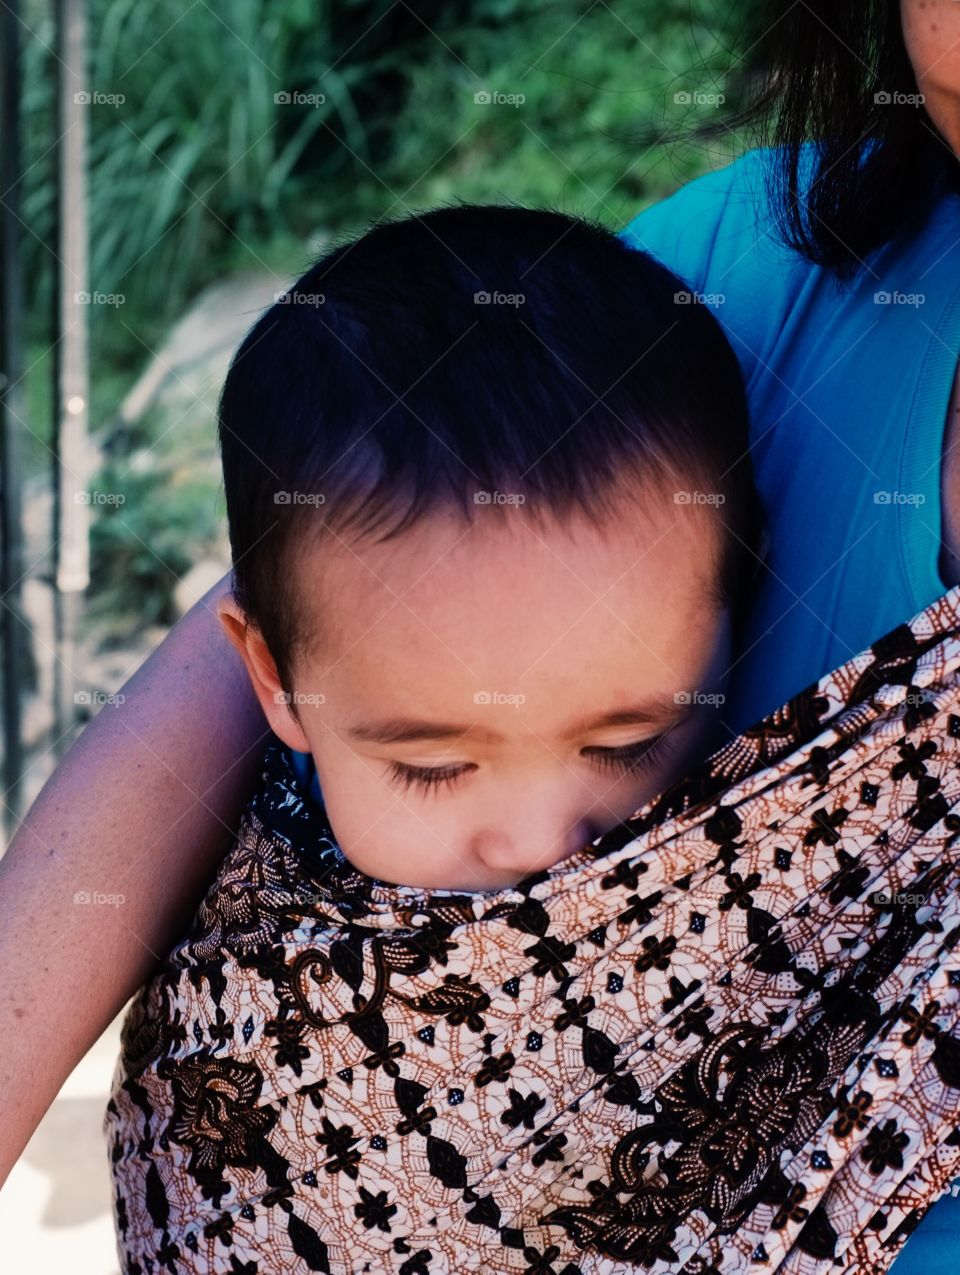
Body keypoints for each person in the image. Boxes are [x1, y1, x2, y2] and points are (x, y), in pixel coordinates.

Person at [3, 0, 960, 1265]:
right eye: (432, 762)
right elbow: (315, 590)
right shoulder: (766, 266)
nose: (541, 849)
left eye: (628, 742)